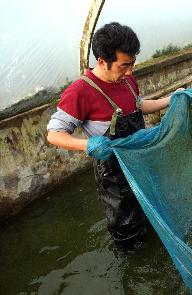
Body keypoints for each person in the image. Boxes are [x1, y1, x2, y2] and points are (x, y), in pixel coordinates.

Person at [47, 22, 177, 248]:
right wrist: (87, 145)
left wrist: (171, 98)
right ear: (101, 61)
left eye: (132, 63)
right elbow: (54, 134)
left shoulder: (127, 81)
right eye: (124, 65)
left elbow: (139, 106)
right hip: (113, 174)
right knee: (127, 228)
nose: (130, 71)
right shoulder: (81, 90)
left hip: (140, 161)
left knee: (151, 212)